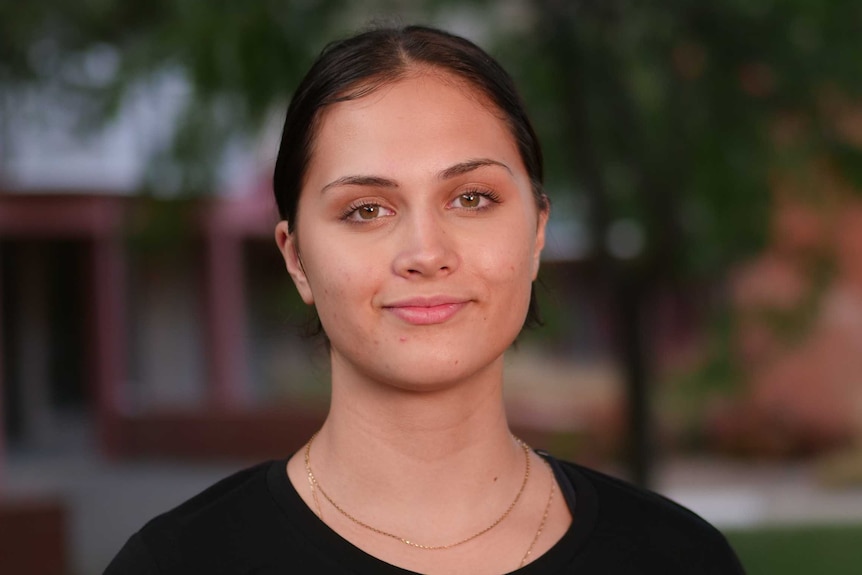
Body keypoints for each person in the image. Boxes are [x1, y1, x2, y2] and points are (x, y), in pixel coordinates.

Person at [105, 24, 745, 574]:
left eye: (472, 198)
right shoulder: (180, 563)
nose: (425, 250)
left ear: (538, 233)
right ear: (296, 257)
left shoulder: (678, 558)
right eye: (366, 209)